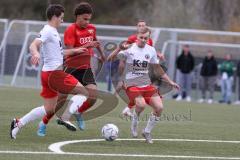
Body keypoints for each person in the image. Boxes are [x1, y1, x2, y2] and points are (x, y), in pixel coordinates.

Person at [10, 4, 89, 139]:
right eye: (61, 18)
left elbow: (59, 53)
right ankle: (65, 116)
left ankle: (18, 123)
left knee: (49, 109)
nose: (62, 21)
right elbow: (33, 44)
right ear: (54, 17)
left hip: (47, 74)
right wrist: (35, 53)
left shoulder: (52, 31)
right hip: (55, 74)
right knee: (84, 92)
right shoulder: (48, 30)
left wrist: (75, 50)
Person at [39, 2, 106, 133]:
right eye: (84, 19)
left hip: (86, 69)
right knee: (60, 100)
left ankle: (78, 113)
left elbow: (95, 41)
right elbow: (71, 51)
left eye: (89, 19)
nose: (87, 22)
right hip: (71, 68)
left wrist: (102, 55)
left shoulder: (92, 28)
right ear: (77, 16)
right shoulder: (71, 29)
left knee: (92, 97)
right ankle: (44, 123)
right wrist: (87, 46)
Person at [107, 27, 179, 143]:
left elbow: (157, 68)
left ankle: (147, 131)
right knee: (141, 105)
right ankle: (134, 124)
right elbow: (110, 59)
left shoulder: (151, 50)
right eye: (141, 37)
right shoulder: (130, 49)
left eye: (146, 38)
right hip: (131, 84)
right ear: (137, 37)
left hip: (146, 84)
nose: (143, 40)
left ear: (148, 38)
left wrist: (170, 82)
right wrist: (118, 49)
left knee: (159, 108)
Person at [116, 20, 165, 117]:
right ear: (137, 28)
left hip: (146, 67)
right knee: (136, 89)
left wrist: (158, 55)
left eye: (143, 25)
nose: (141, 27)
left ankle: (128, 108)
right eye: (139, 25)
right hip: (132, 68)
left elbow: (151, 51)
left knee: (144, 90)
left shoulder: (149, 40)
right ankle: (119, 94)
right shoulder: (132, 39)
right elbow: (122, 48)